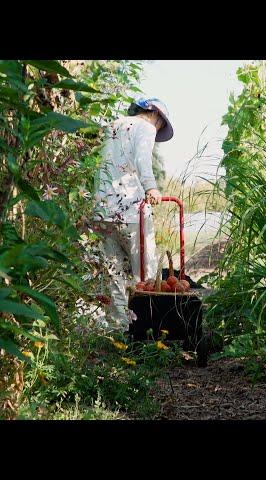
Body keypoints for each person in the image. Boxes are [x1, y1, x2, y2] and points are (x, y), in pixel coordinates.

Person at [92, 97, 174, 331]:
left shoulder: (110, 126)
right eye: (159, 124)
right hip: (131, 209)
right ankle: (147, 328)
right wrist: (151, 187)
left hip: (102, 210)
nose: (157, 129)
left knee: (113, 273)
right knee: (145, 274)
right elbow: (142, 159)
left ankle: (118, 329)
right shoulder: (145, 127)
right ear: (154, 114)